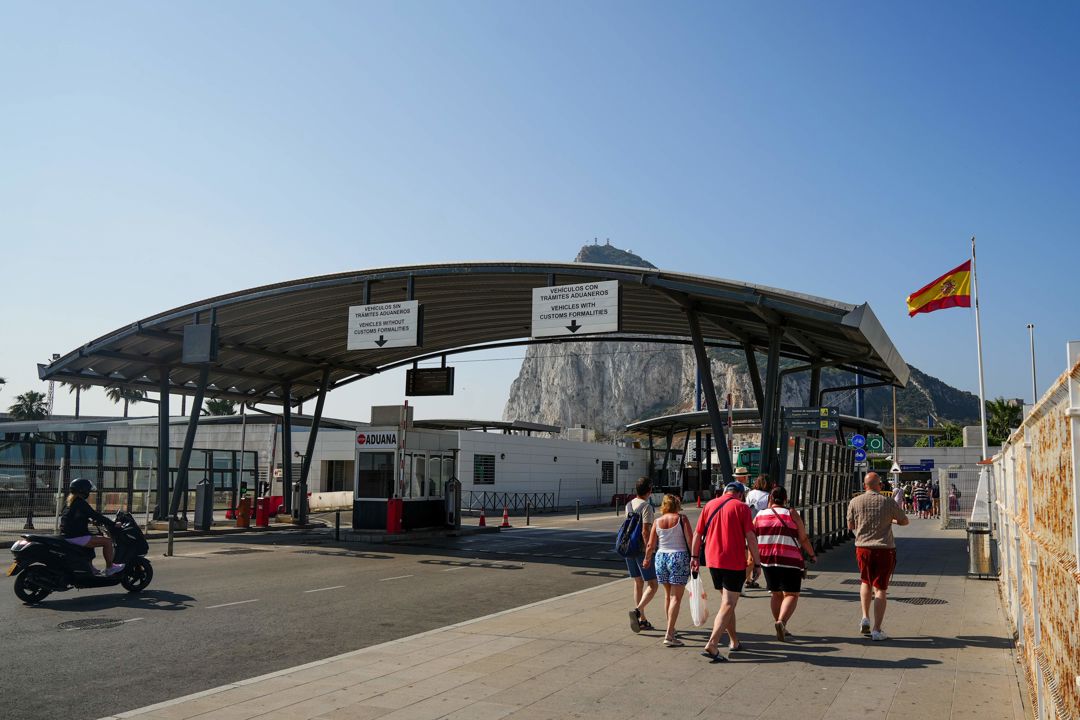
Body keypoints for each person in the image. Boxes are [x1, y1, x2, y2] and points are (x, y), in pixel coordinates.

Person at [691, 481, 761, 662]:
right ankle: (712, 643)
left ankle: (734, 641)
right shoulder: (742, 508)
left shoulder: (709, 505)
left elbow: (698, 533)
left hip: (713, 561)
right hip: (733, 562)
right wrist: (757, 563)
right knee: (729, 603)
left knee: (727, 603)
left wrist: (694, 557)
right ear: (740, 494)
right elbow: (751, 537)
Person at [847, 472, 909, 641]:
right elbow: (905, 521)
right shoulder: (888, 502)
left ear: (864, 485)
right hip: (884, 549)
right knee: (880, 589)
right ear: (880, 485)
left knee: (865, 581)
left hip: (862, 548)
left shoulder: (855, 501)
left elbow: (850, 525)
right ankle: (876, 629)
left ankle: (865, 617)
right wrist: (891, 521)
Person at [753, 486, 816, 641]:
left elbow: (752, 536)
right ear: (786, 499)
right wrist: (812, 555)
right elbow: (803, 538)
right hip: (790, 560)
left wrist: (752, 558)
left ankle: (779, 624)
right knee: (791, 594)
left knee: (776, 593)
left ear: (770, 499)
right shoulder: (791, 513)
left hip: (767, 560)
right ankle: (781, 622)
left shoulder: (760, 515)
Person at [642, 494, 694, 646]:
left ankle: (671, 628)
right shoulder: (682, 519)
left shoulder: (657, 521)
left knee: (668, 596)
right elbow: (690, 540)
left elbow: (651, 545)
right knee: (676, 598)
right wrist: (694, 558)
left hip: (661, 558)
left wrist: (647, 559)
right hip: (678, 557)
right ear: (677, 505)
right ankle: (670, 635)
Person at [59, 477, 124, 576]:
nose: (89, 492)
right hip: (75, 536)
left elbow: (72, 517)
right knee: (107, 541)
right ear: (83, 490)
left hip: (67, 534)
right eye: (88, 490)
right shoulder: (81, 503)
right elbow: (96, 515)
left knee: (93, 536)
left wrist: (88, 520)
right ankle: (110, 568)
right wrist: (113, 524)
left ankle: (89, 567)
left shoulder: (69, 502)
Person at [626, 477, 658, 633]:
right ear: (649, 491)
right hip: (640, 549)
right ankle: (638, 611)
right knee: (652, 584)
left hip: (628, 548)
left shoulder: (629, 505)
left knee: (638, 582)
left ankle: (642, 620)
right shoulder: (647, 507)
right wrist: (648, 552)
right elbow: (645, 531)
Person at [743, 473, 770, 588]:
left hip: (747, 526)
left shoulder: (750, 493)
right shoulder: (768, 496)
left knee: (748, 556)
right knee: (753, 558)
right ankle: (740, 582)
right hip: (760, 528)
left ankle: (748, 580)